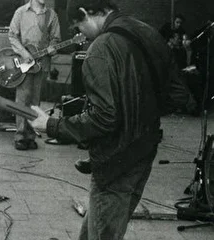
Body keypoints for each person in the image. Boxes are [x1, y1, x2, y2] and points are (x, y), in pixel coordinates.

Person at [29, 0, 193, 239]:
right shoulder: (148, 32)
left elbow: (104, 117)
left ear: (86, 13)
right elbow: (179, 96)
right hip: (144, 150)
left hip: (115, 160)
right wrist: (137, 112)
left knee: (104, 230)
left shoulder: (100, 49)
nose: (79, 34)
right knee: (100, 225)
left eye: (77, 27)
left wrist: (51, 125)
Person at [8, 0, 61, 150]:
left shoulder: (52, 15)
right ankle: (20, 136)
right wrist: (24, 53)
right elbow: (12, 35)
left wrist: (53, 47)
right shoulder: (21, 12)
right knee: (22, 99)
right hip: (23, 62)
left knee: (35, 100)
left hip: (40, 64)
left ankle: (30, 136)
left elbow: (56, 39)